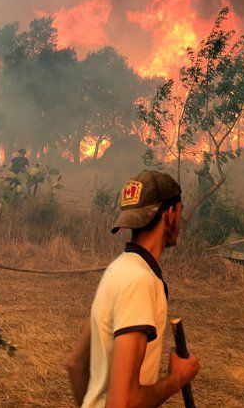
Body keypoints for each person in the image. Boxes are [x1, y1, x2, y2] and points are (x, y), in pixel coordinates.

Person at [66, 170, 199, 407]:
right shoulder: (140, 281)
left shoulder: (117, 269)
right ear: (170, 214)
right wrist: (177, 379)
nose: (180, 218)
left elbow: (76, 365)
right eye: (180, 211)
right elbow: (123, 403)